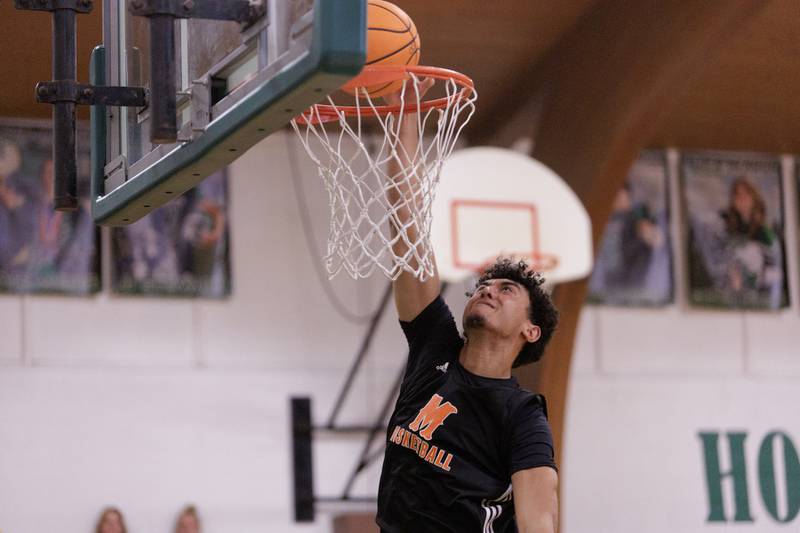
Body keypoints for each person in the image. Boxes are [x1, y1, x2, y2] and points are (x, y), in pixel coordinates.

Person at [375, 84, 560, 532]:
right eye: (483, 284)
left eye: (507, 290)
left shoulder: (522, 415)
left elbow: (540, 516)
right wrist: (405, 108)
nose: (488, 290)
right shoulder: (433, 343)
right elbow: (409, 226)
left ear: (530, 331)